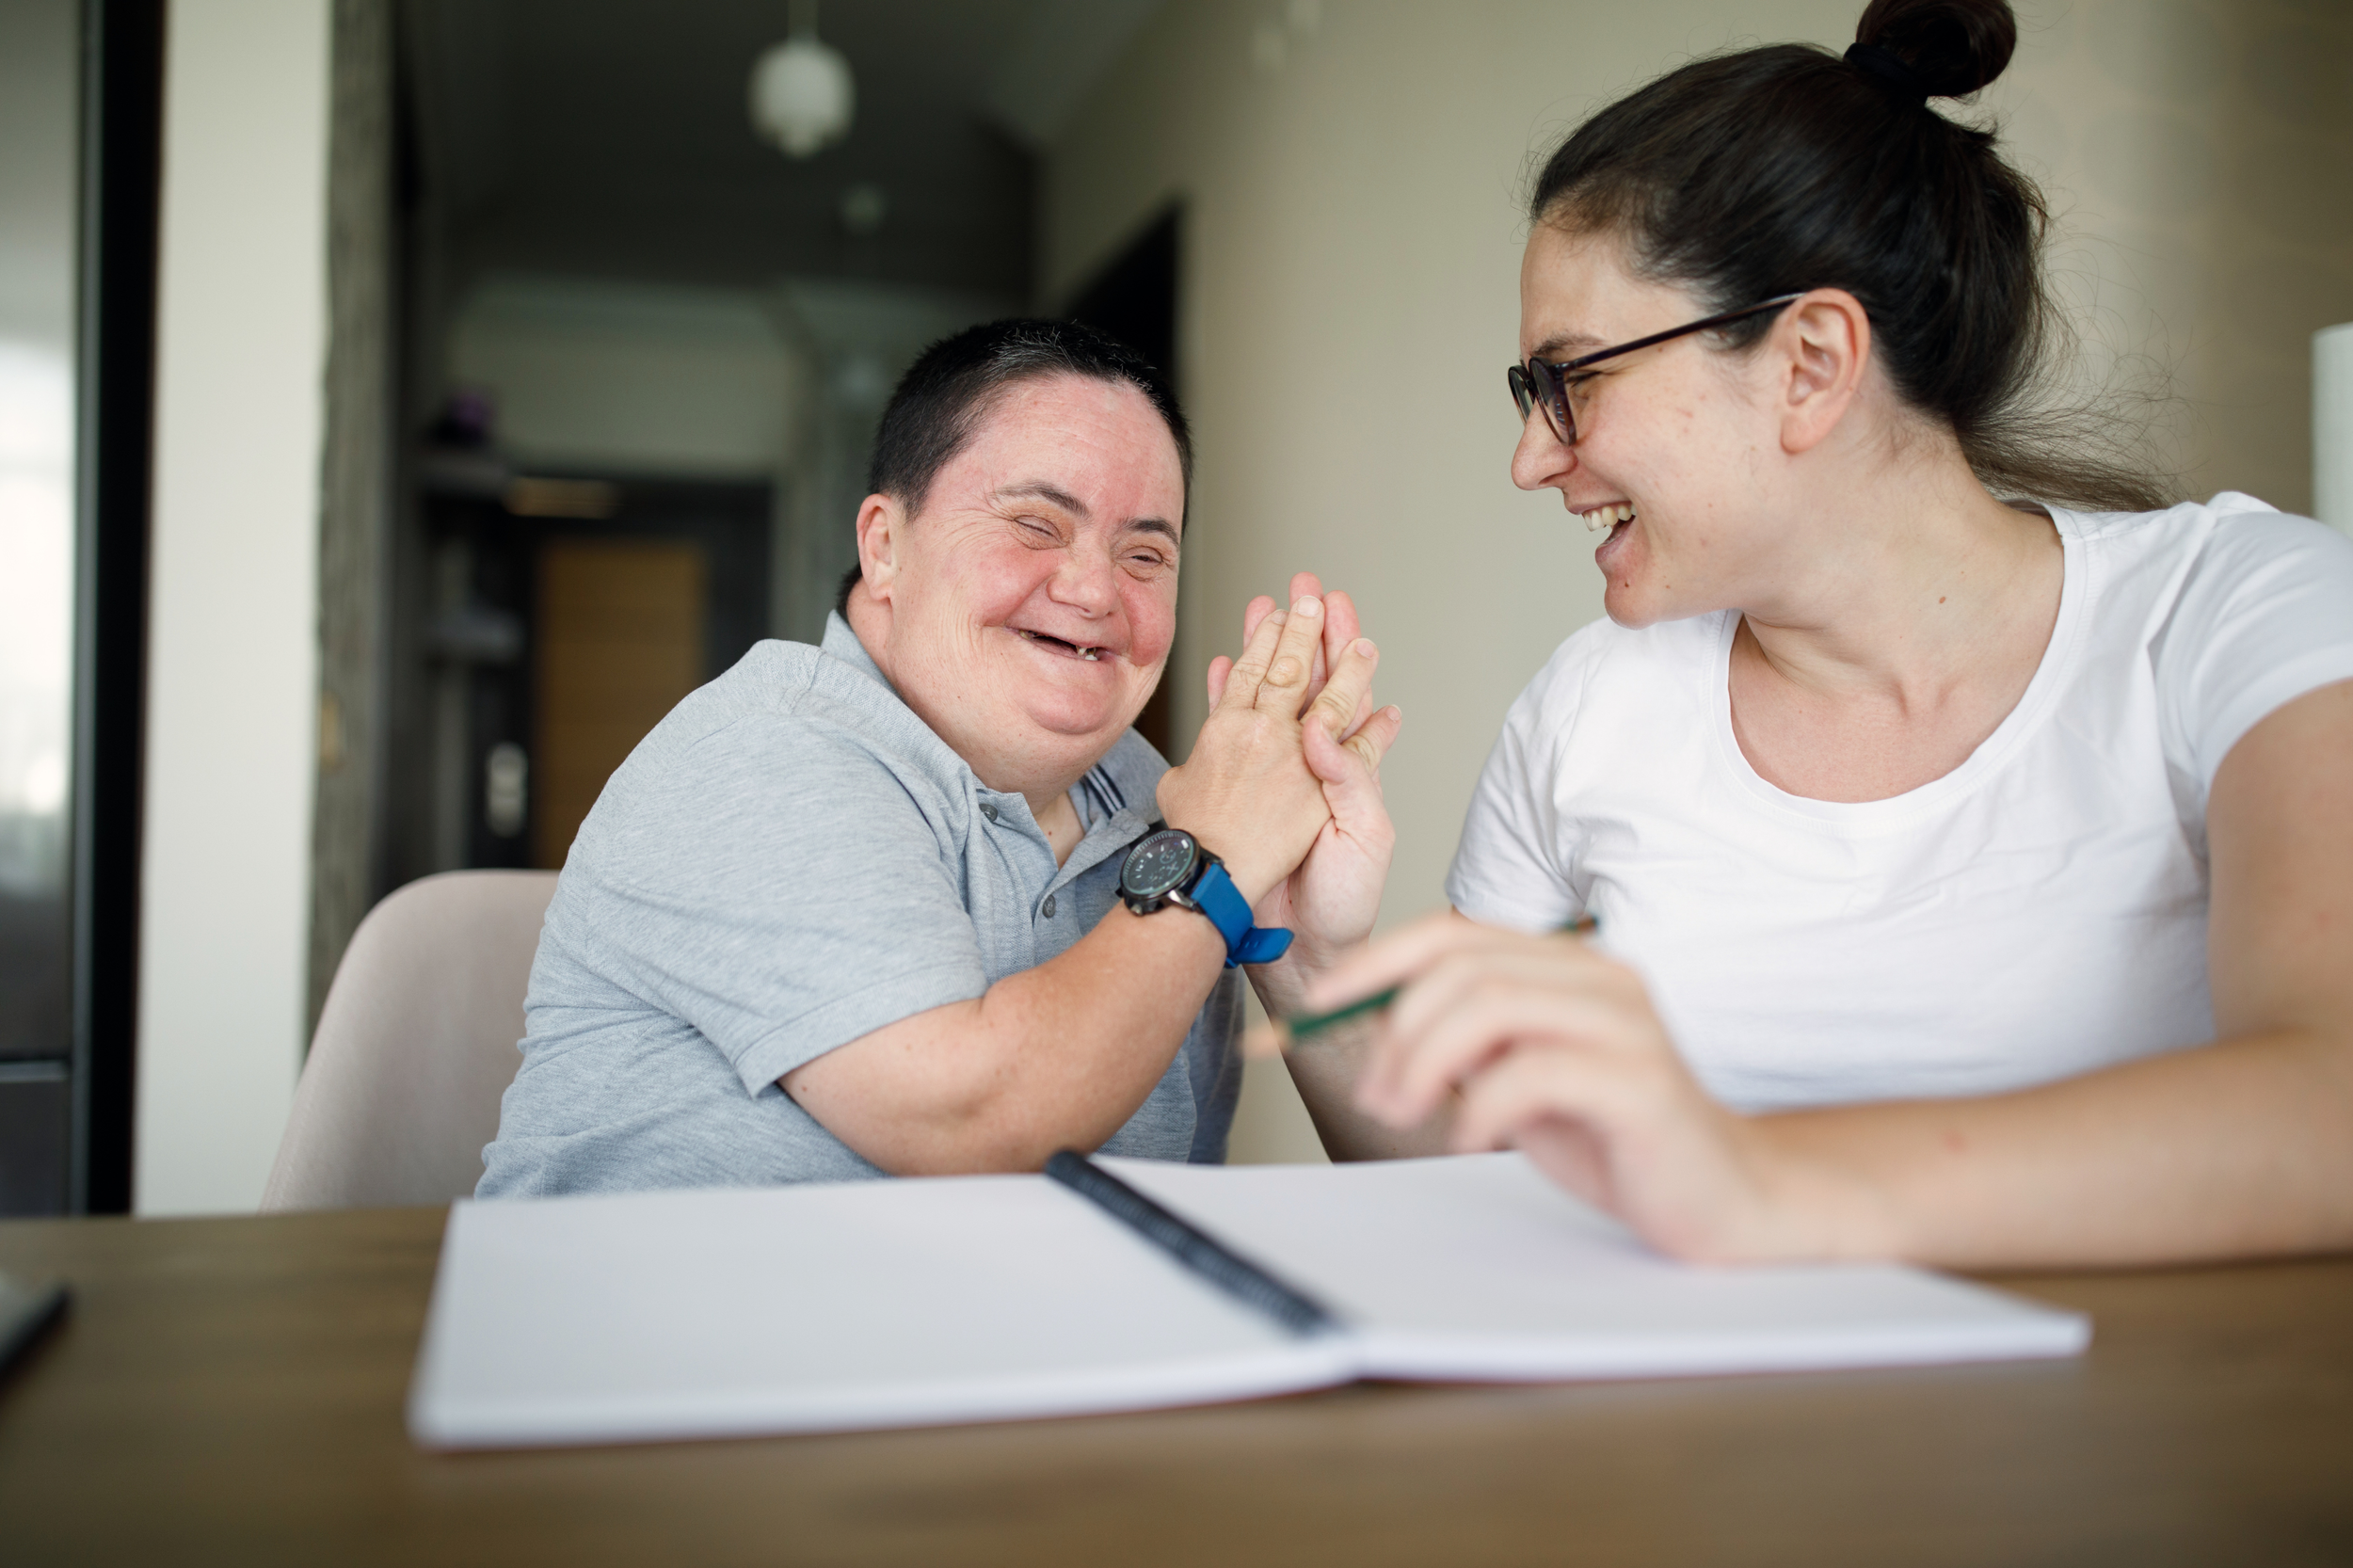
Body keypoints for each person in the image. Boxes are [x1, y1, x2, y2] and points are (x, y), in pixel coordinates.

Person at [1284, 0, 2353, 1268]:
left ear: (1809, 362)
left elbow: (2327, 1110)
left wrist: (1757, 1181)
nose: (1530, 458)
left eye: (1572, 380)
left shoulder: (2242, 614)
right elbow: (1469, 1187)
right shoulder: (1586, 710)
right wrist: (1303, 947)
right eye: (1533, 392)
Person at [479, 320, 1401, 1194]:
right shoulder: (762, 752)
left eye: (1146, 556)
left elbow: (1193, 1209)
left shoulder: (1168, 809)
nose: (1094, 591)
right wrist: (1213, 863)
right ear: (884, 547)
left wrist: (1303, 959)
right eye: (1035, 523)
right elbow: (976, 1121)